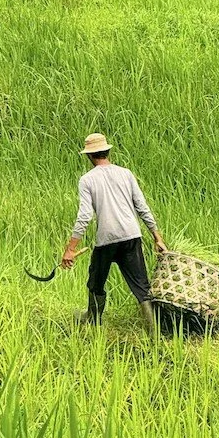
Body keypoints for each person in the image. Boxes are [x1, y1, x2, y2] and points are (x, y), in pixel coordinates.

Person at [60, 133, 166, 333]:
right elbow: (142, 207)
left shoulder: (87, 180)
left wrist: (70, 249)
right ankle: (154, 333)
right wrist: (157, 238)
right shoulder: (126, 173)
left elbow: (84, 216)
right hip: (132, 236)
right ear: (107, 152)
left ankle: (93, 319)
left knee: (96, 282)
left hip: (107, 240)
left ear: (89, 156)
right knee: (141, 285)